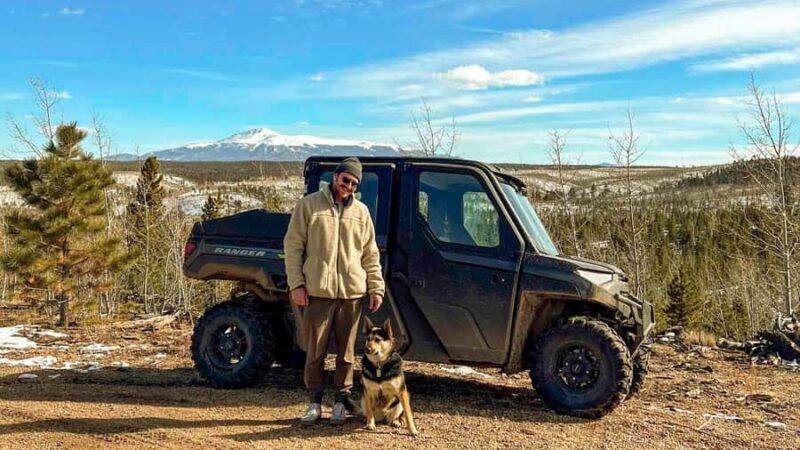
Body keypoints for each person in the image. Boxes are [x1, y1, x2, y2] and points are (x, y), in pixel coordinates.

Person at [283, 157, 385, 425]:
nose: (348, 187)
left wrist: (376, 287)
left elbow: (370, 253)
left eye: (354, 184)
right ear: (335, 176)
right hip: (318, 292)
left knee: (347, 353)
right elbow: (293, 247)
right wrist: (297, 284)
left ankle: (340, 401)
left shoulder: (361, 212)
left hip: (351, 295)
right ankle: (314, 402)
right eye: (345, 180)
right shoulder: (308, 206)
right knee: (315, 352)